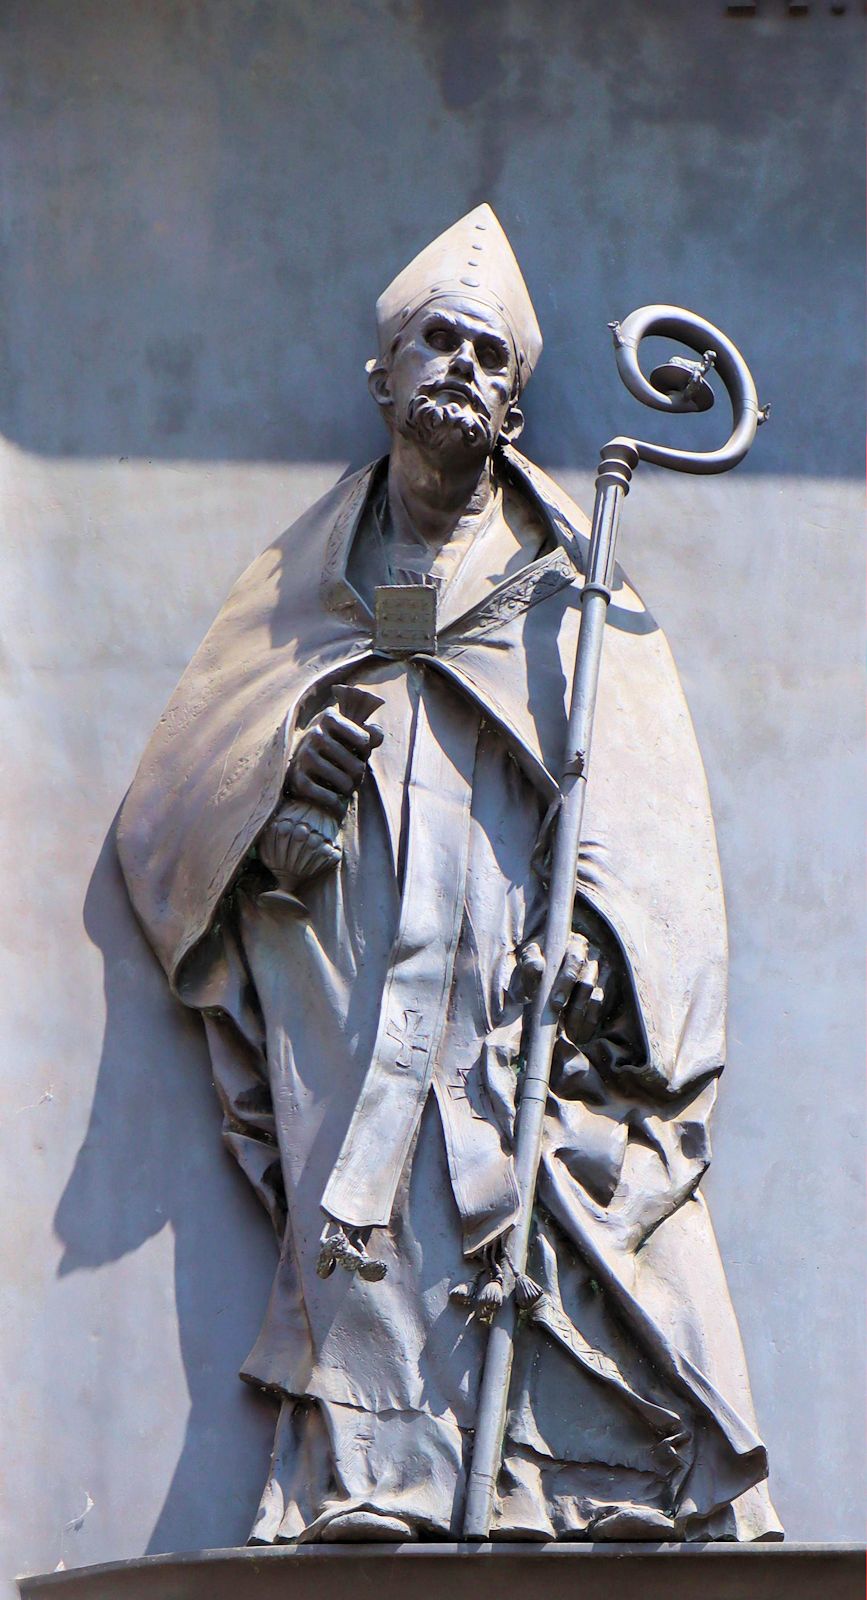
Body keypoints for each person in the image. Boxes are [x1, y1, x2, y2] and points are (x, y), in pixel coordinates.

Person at [117, 205, 782, 1543]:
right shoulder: (313, 584)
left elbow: (644, 820)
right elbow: (196, 786)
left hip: (509, 947)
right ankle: (376, 1484)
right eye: (439, 342)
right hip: (351, 953)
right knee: (366, 1200)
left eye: (491, 353)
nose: (464, 368)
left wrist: (599, 941)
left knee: (529, 1194)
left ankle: (577, 1482)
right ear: (386, 375)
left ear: (518, 403)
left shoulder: (567, 596)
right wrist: (288, 801)